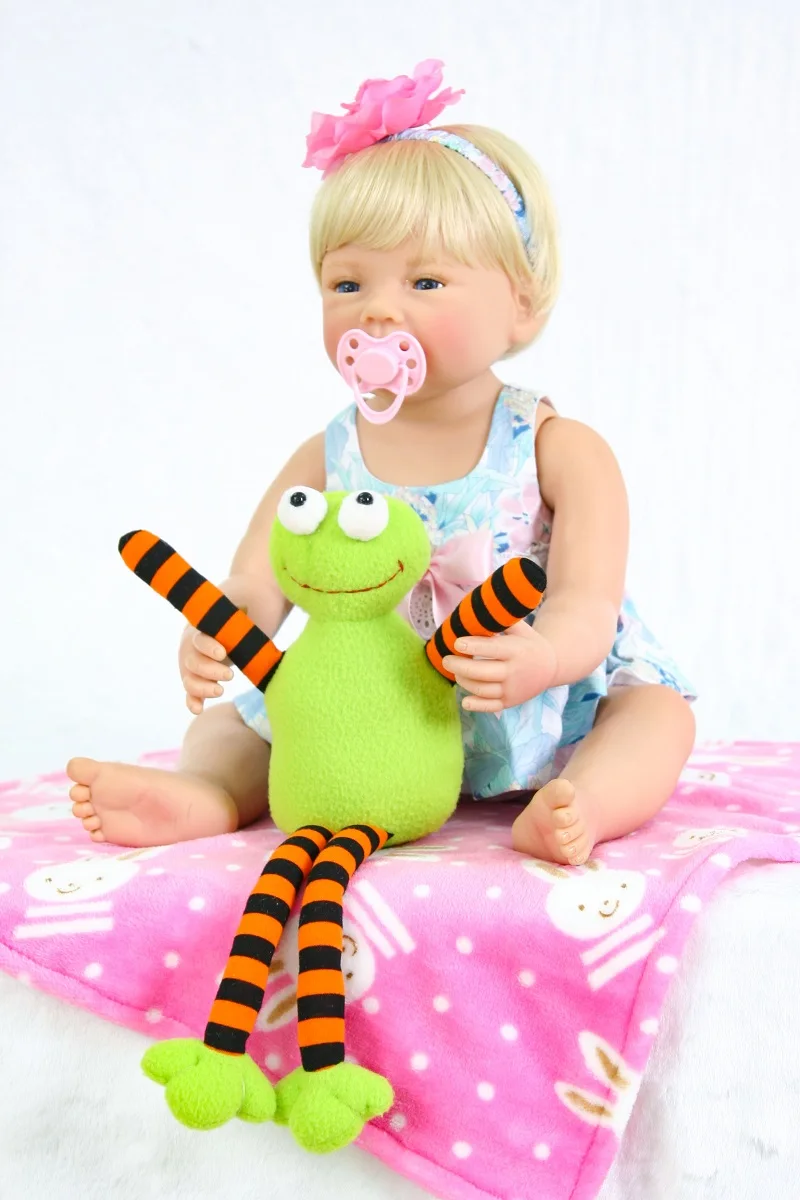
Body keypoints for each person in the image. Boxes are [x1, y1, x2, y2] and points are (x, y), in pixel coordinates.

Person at [67, 60, 696, 866]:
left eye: (425, 280)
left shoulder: (557, 448)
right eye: (347, 283)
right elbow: (258, 579)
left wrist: (543, 656)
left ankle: (583, 805)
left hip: (530, 707)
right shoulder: (328, 455)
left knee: (656, 715)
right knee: (241, 722)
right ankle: (206, 791)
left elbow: (588, 602)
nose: (378, 311)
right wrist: (219, 630)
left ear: (522, 302)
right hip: (371, 716)